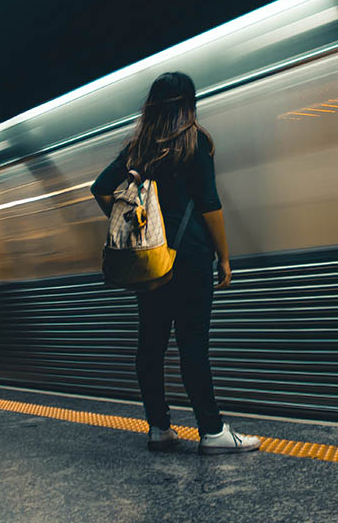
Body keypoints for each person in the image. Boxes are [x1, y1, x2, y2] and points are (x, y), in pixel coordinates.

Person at [92, 72, 260, 455]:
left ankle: (159, 428)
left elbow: (100, 189)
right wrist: (225, 256)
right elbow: (209, 203)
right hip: (191, 259)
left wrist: (135, 219)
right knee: (192, 345)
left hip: (152, 262)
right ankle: (213, 431)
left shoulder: (138, 147)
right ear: (188, 103)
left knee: (150, 345)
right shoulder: (194, 142)